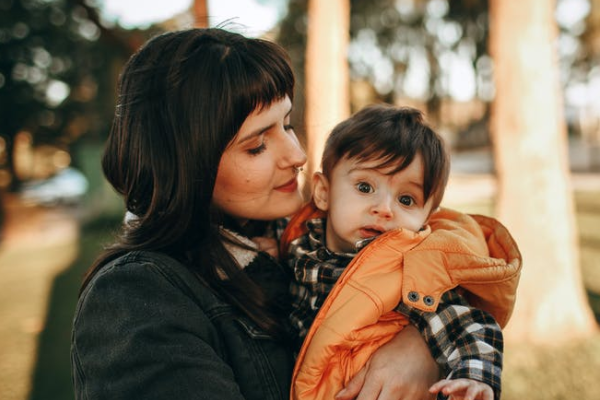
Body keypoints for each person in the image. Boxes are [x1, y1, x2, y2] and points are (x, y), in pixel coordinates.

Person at [70, 28, 451, 400]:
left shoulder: (299, 232)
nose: (297, 156)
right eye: (256, 146)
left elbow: (459, 242)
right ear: (186, 167)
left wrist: (418, 345)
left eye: (287, 124)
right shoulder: (137, 299)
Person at [277, 105, 522, 400]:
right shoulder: (301, 244)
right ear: (324, 192)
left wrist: (473, 378)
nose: (384, 208)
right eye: (365, 187)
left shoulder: (409, 271)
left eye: (406, 199)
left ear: (427, 216)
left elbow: (468, 325)